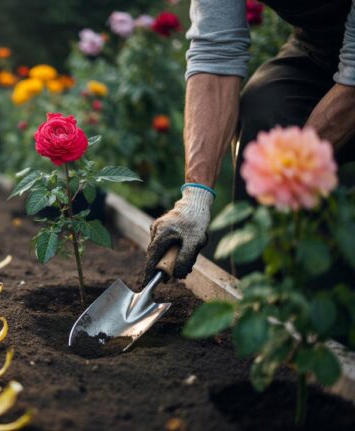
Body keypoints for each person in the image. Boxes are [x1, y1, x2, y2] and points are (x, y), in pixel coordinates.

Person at [144, 0, 355, 283]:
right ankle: (262, 299)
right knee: (265, 113)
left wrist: (291, 168)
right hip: (318, 46)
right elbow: (215, 55)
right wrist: (195, 197)